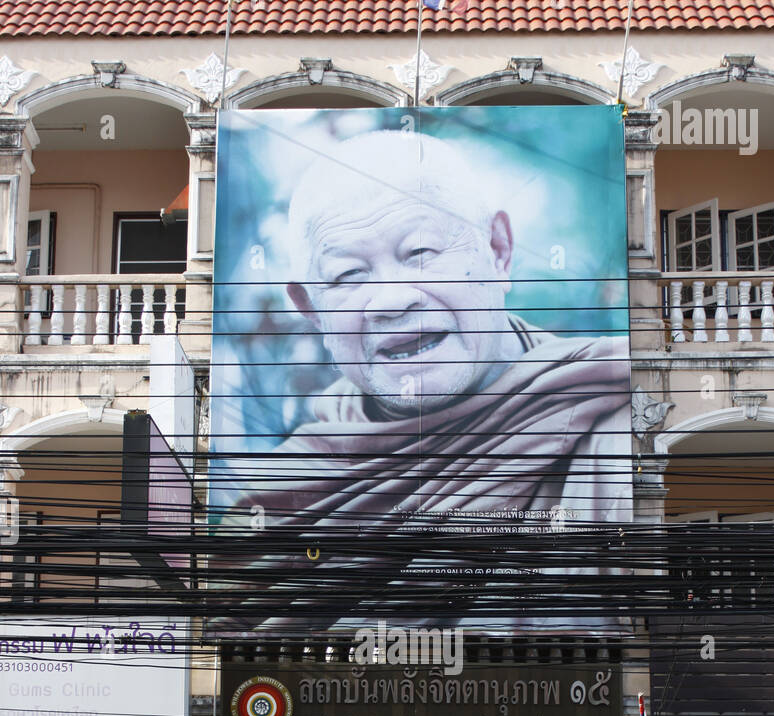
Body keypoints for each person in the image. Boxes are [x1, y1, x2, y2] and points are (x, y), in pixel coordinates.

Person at [216, 129, 631, 630]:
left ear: (498, 251)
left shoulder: (603, 405)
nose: (392, 300)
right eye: (349, 277)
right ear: (311, 310)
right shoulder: (282, 493)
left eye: (420, 253)